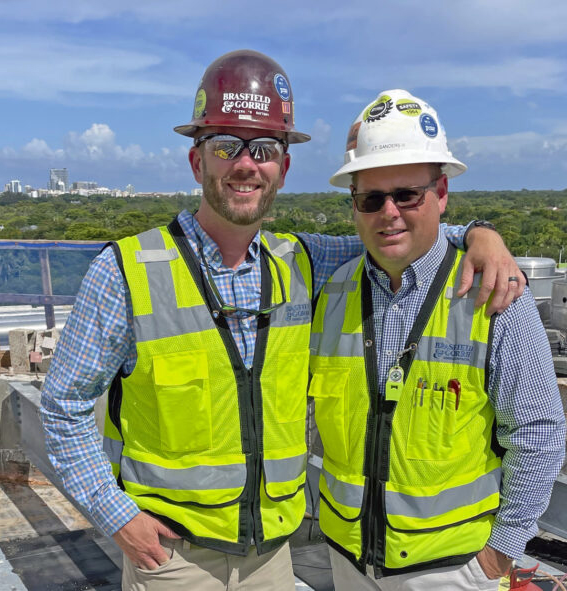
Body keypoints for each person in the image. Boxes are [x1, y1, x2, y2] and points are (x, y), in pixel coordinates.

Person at [40, 53, 525, 591]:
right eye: (226, 145)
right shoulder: (126, 274)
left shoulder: (302, 262)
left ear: (284, 168)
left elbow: (400, 234)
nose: (246, 165)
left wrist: (480, 235)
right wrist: (117, 518)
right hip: (172, 559)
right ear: (197, 162)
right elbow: (63, 408)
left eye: (265, 149)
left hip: (273, 560)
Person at [310, 89, 567, 590]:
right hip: (348, 562)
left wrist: (499, 555)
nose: (389, 212)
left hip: (452, 571)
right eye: (371, 198)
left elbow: (537, 431)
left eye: (407, 194)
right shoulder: (331, 290)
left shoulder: (492, 296)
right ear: (355, 205)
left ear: (442, 193)